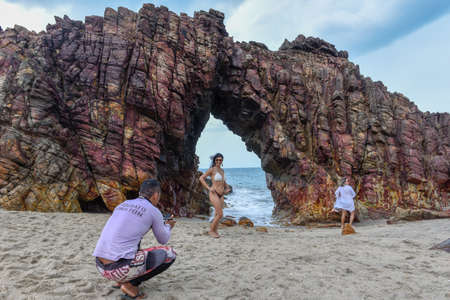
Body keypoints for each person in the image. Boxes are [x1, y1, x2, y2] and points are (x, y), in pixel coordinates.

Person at [93, 179, 177, 300]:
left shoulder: (123, 205)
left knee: (132, 242)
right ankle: (129, 285)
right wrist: (169, 226)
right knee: (170, 254)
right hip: (119, 269)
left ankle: (120, 282)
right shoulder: (154, 211)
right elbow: (163, 239)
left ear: (140, 193)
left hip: (101, 267)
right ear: (156, 195)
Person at [199, 153, 231, 238]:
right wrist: (208, 188)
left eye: (220, 160)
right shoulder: (212, 170)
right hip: (214, 193)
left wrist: (227, 188)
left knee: (217, 214)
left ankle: (215, 231)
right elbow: (201, 178)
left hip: (221, 194)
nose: (218, 161)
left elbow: (223, 182)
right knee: (220, 214)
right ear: (214, 160)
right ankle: (211, 231)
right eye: (217, 160)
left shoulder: (222, 171)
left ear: (222, 161)